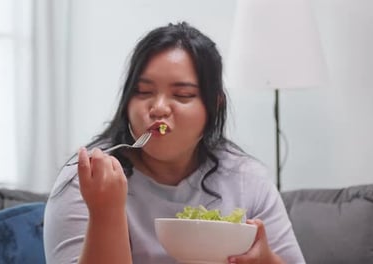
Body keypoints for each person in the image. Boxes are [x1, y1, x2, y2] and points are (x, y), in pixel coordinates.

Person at [43, 22, 305, 264]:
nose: (158, 108)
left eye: (182, 95)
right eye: (143, 92)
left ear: (214, 105)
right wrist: (106, 212)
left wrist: (267, 260)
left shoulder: (246, 179)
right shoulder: (86, 178)